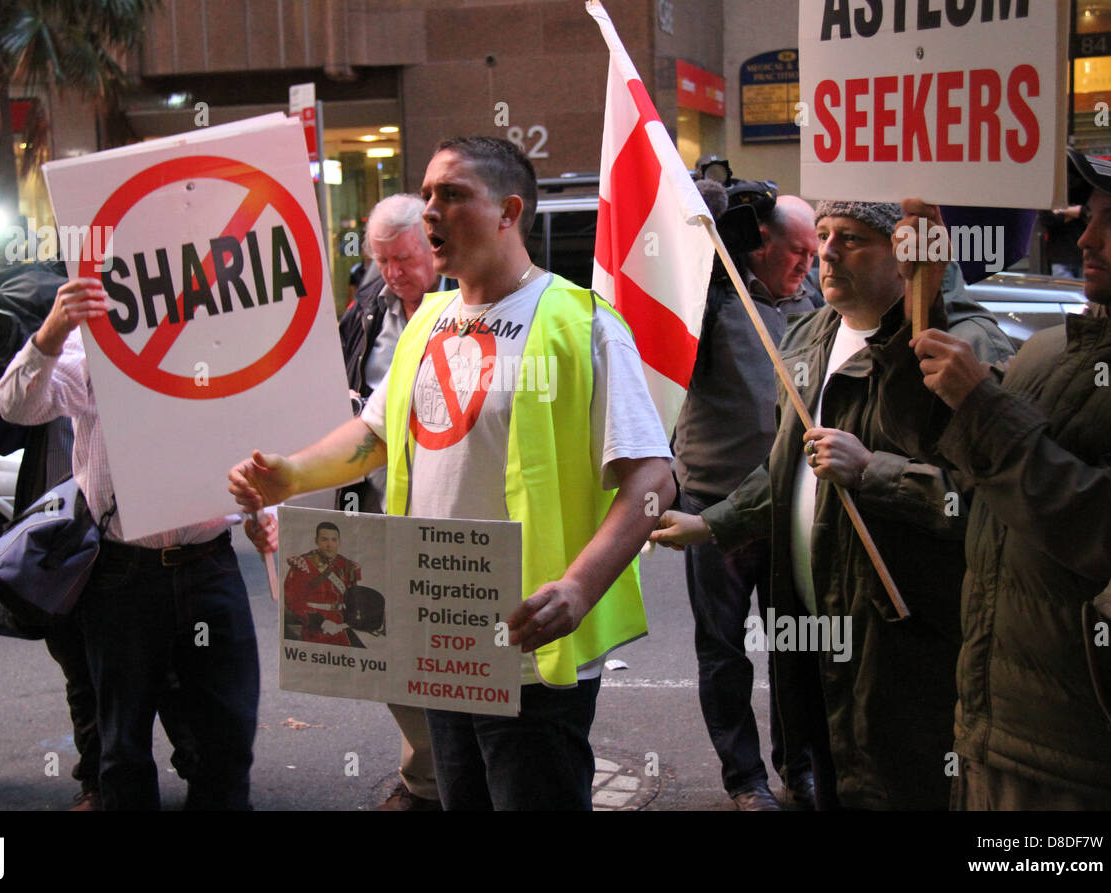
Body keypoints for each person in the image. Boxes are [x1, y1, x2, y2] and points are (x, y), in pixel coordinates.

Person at [231, 136, 674, 810]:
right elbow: (377, 433)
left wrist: (579, 589)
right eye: (428, 194)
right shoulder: (429, 322)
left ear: (509, 211)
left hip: (532, 646)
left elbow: (654, 481)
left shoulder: (580, 323)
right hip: (438, 632)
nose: (430, 208)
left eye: (453, 194)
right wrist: (289, 475)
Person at [654, 201, 1014, 810]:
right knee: (827, 778)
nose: (826, 252)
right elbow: (788, 467)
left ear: (908, 255)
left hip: (905, 639)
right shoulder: (809, 334)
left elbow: (993, 500)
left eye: (852, 238)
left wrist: (876, 472)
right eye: (822, 236)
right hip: (813, 625)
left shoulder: (966, 344)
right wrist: (710, 523)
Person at [872, 149, 1111, 808]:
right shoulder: (1051, 348)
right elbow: (940, 443)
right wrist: (922, 303)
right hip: (989, 724)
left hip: (1090, 759)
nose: (1084, 237)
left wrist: (982, 407)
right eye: (1088, 216)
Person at [0, 279, 262, 811]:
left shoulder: (226, 342)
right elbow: (17, 406)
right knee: (122, 748)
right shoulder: (97, 343)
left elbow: (260, 437)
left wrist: (264, 511)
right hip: (124, 575)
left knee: (226, 738)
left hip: (210, 562)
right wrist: (55, 328)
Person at [671, 188, 821, 811]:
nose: (808, 265)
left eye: (815, 252)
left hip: (790, 505)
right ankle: (745, 781)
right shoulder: (712, 301)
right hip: (715, 508)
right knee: (725, 654)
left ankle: (801, 767)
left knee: (796, 649)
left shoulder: (815, 304)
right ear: (759, 246)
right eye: (796, 251)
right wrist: (710, 238)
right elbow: (673, 315)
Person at [337, 193, 451, 810]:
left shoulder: (466, 306)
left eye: (403, 259)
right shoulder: (364, 313)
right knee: (387, 646)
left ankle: (451, 776)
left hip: (451, 513)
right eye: (381, 261)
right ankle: (424, 776)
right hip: (380, 510)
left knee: (452, 646)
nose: (393, 274)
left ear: (431, 247)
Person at [283, 521, 364, 646]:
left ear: (339, 542)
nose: (329, 545)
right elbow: (293, 602)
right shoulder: (303, 564)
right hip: (313, 627)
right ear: (316, 541)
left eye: (334, 540)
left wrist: (349, 621)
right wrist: (321, 623)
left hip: (340, 627)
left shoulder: (348, 566)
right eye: (324, 540)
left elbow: (353, 599)